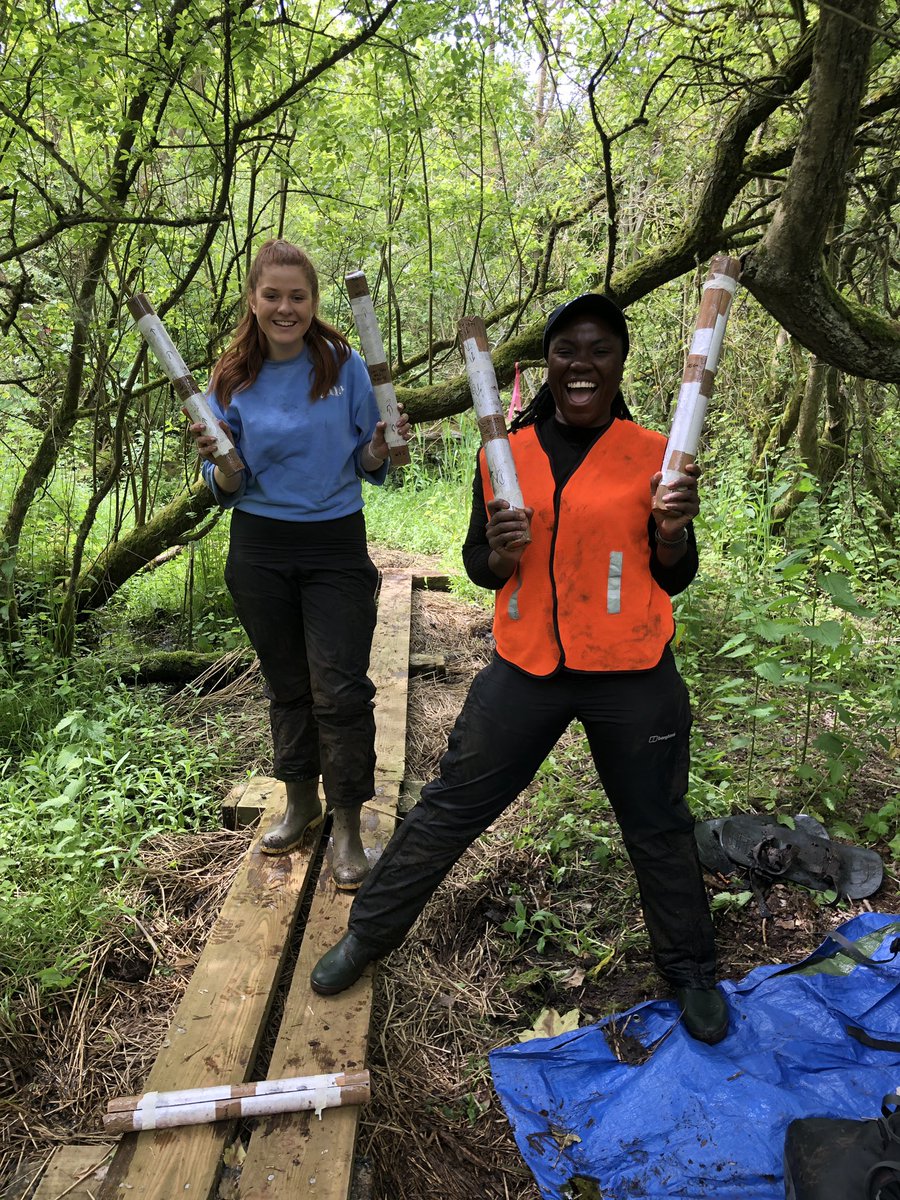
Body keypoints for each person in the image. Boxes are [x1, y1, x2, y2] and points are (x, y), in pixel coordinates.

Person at [310, 292, 729, 1044]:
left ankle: (693, 972)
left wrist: (672, 531)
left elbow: (675, 574)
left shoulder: (656, 454)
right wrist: (500, 553)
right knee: (448, 808)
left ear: (620, 363)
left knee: (659, 826)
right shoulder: (507, 451)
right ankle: (366, 937)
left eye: (599, 349)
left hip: (633, 672)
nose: (582, 364)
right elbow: (480, 563)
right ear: (549, 364)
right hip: (527, 666)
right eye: (567, 349)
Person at [192, 238, 410, 890]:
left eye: (298, 296)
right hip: (258, 548)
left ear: (314, 302)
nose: (286, 307)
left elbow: (375, 466)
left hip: (334, 546)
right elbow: (220, 485)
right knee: (287, 683)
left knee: (339, 690)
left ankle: (347, 825)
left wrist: (378, 447)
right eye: (273, 295)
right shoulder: (230, 378)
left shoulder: (343, 367)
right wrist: (221, 465)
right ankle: (300, 800)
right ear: (253, 300)